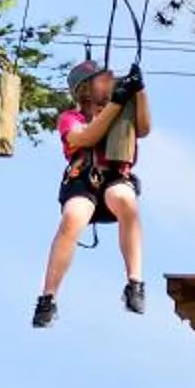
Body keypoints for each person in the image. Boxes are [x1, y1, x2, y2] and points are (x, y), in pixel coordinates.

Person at [37, 58, 152, 327]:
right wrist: (116, 104)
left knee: (126, 202)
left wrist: (139, 91)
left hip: (114, 178)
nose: (112, 81)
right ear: (86, 90)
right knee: (74, 216)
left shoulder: (123, 111)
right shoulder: (70, 118)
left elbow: (143, 128)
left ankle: (135, 282)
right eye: (105, 79)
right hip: (84, 180)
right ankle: (48, 296)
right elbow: (86, 137)